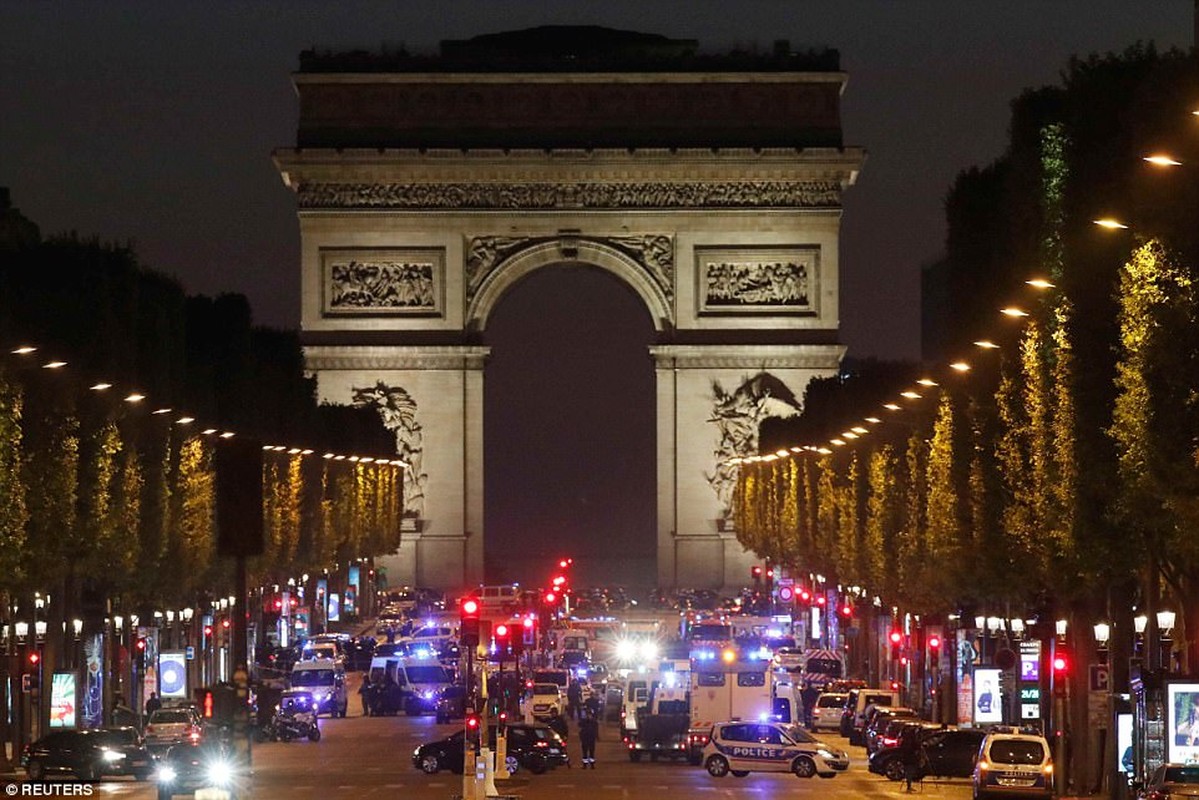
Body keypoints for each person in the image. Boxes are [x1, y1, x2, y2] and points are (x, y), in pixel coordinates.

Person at [578, 698, 599, 769]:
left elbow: (596, 730)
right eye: (588, 714)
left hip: (591, 738)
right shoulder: (584, 721)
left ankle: (592, 764)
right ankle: (585, 765)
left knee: (592, 752)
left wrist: (597, 737)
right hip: (585, 738)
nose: (588, 716)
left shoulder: (594, 722)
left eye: (589, 715)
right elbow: (579, 725)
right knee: (584, 752)